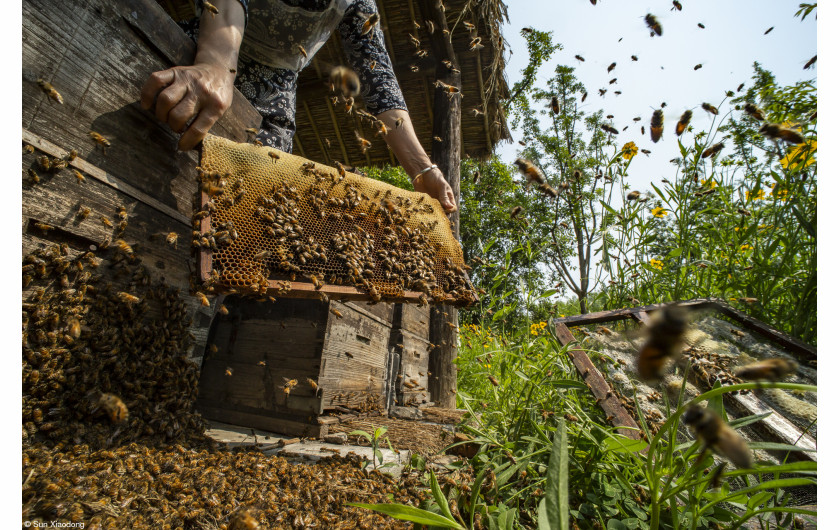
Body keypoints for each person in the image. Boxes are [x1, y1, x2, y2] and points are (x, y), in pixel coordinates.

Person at [140, 0, 456, 212]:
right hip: (203, 53)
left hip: (275, 96)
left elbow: (378, 76)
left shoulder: (361, 5)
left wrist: (422, 169)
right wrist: (216, 63)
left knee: (253, 210)